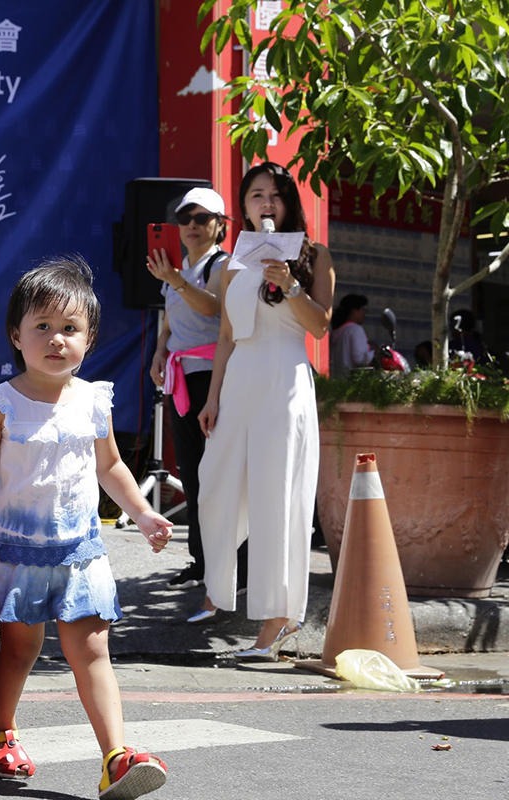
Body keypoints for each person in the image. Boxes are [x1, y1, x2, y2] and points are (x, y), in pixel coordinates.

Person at [0, 256, 173, 799]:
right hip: (15, 552)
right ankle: (1, 733)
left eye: (70, 329)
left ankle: (116, 757)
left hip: (81, 553)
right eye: (43, 327)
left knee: (92, 650)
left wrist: (143, 514)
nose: (56, 340)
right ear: (16, 335)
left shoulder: (95, 400)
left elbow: (112, 467)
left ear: (90, 338)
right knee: (19, 651)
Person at [195, 162, 335, 660]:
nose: (266, 203)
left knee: (279, 498)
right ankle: (217, 585)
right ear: (244, 205)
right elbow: (227, 336)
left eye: (274, 195)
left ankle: (278, 621)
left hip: (285, 379)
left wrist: (292, 286)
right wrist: (212, 398)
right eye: (256, 195)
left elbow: (320, 327)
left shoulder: (313, 255)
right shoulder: (233, 262)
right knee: (213, 483)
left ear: (289, 202)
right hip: (240, 382)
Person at [146, 187, 248, 601]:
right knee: (191, 472)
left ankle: (232, 564)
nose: (191, 225)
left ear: (220, 226)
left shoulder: (222, 265)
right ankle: (203, 562)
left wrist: (173, 279)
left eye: (202, 218)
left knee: (221, 476)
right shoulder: (177, 268)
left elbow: (215, 311)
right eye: (186, 218)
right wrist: (158, 353)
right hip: (180, 377)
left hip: (214, 379)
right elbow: (169, 323)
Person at [329, 293, 373, 375]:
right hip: (352, 381)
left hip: (337, 379)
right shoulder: (355, 329)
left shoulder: (338, 331)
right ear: (354, 311)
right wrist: (374, 354)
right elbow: (358, 359)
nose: (364, 314)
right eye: (363, 310)